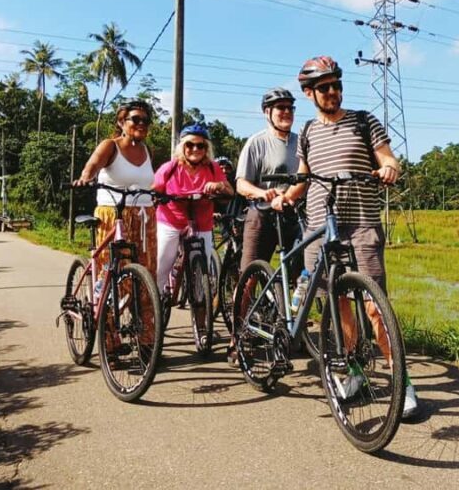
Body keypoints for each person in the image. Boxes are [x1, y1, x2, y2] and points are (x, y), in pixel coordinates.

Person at [275, 56, 420, 419]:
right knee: (337, 305)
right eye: (324, 87)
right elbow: (305, 176)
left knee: (374, 304)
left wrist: (389, 169)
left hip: (361, 224)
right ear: (309, 93)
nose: (333, 92)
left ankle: (402, 384)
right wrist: (286, 197)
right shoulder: (307, 132)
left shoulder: (363, 121)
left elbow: (389, 159)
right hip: (320, 227)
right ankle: (353, 372)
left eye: (337, 85)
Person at [226, 88, 301, 365]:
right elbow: (241, 183)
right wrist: (261, 194)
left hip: (293, 215)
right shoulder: (257, 142)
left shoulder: (301, 142)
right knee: (249, 277)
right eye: (279, 107)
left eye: (290, 108)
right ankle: (237, 338)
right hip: (262, 215)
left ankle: (292, 328)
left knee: (303, 275)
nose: (286, 112)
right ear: (267, 112)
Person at [74, 99, 157, 278]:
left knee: (147, 267)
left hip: (145, 216)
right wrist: (85, 179)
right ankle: (105, 302)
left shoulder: (147, 150)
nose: (141, 124)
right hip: (113, 214)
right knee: (111, 268)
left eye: (146, 121)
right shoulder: (110, 146)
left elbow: (150, 181)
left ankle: (142, 306)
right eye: (136, 119)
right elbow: (92, 165)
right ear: (121, 122)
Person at [153, 123, 233, 304]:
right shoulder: (170, 167)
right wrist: (160, 198)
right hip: (170, 219)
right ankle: (153, 307)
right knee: (162, 265)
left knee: (201, 270)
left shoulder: (213, 168)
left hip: (201, 221)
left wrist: (219, 186)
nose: (195, 149)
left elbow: (230, 192)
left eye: (200, 145)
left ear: (207, 148)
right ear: (182, 147)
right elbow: (154, 190)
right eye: (190, 145)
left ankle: (200, 315)